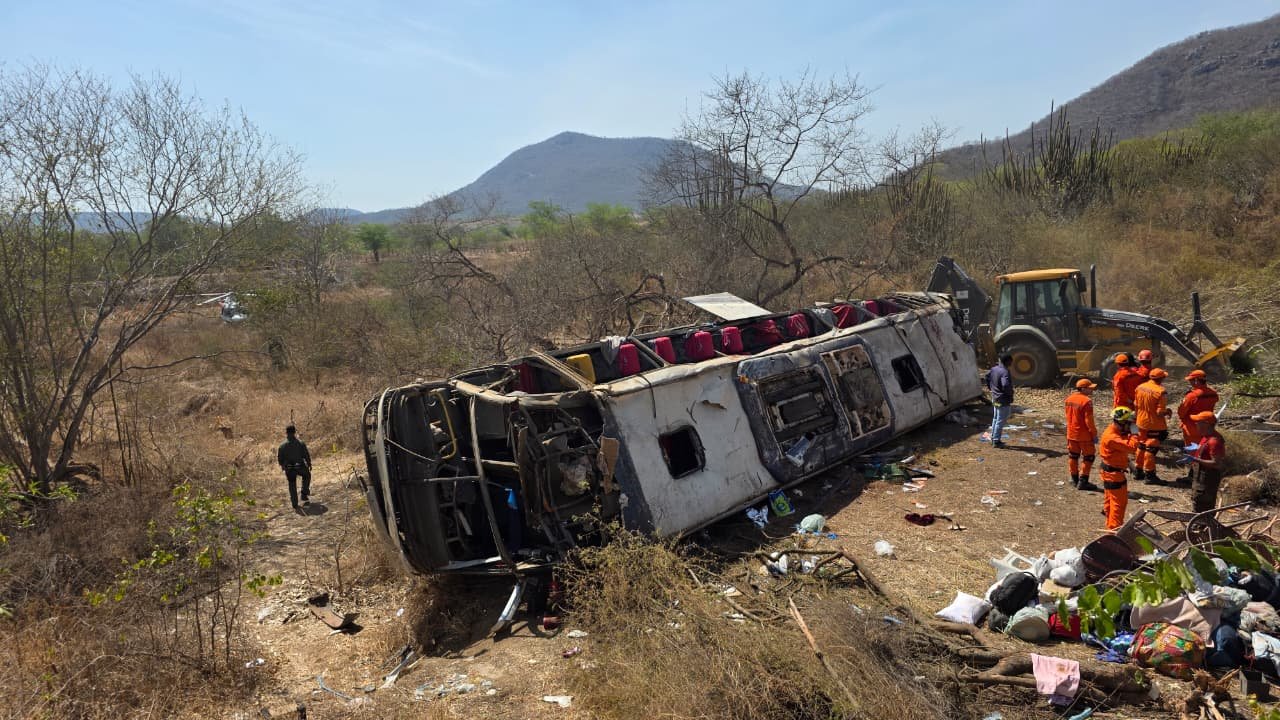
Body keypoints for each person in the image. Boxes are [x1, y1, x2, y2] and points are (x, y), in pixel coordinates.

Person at [1099, 407, 1144, 530]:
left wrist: (1129, 464)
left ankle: (1110, 523)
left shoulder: (1115, 431)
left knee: (1110, 501)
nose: (1131, 426)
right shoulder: (1112, 437)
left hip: (1111, 471)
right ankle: (1114, 530)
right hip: (1113, 475)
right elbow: (1132, 447)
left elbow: (1120, 451)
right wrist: (1135, 433)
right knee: (1118, 504)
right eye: (1129, 423)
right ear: (1122, 422)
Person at [1133, 368, 1172, 483]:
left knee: (1141, 445)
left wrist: (1136, 418)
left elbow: (1135, 404)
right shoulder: (1161, 391)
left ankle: (1138, 470)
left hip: (1140, 422)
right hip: (1154, 425)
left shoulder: (1140, 387)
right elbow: (1159, 412)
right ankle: (1150, 475)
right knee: (1151, 448)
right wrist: (1168, 411)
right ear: (1161, 378)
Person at [1065, 378, 1100, 491]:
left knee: (1073, 456)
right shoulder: (1086, 401)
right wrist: (1094, 434)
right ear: (1083, 389)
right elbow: (1089, 421)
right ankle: (1083, 481)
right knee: (1089, 457)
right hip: (1084, 435)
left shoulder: (1069, 399)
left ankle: (1074, 479)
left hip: (1071, 433)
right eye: (1090, 388)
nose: (1092, 390)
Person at [1189, 411, 1227, 514]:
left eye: (1198, 422)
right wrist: (1196, 448)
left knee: (1203, 505)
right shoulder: (1206, 436)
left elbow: (1216, 463)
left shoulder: (1214, 441)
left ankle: (1202, 523)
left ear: (1206, 424)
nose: (1196, 424)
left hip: (1207, 479)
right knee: (1197, 501)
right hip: (1201, 478)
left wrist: (1195, 459)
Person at [1178, 369, 1220, 447]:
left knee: (1193, 451)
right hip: (1208, 428)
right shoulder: (1213, 393)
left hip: (1192, 429)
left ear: (1196, 380)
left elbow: (1181, 412)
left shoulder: (1191, 396)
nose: (1189, 382)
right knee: (1204, 449)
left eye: (1191, 380)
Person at [277, 425, 312, 511]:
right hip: (300, 467)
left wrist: (283, 466)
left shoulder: (282, 446)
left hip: (289, 469)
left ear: (286, 433)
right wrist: (309, 464)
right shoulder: (300, 443)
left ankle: (294, 503)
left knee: (292, 484)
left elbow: (280, 459)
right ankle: (304, 493)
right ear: (294, 432)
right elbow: (306, 455)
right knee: (307, 475)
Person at [987, 354, 1014, 448]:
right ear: (1007, 361)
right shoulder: (1005, 372)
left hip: (995, 398)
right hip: (1003, 400)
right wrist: (1010, 394)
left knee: (996, 418)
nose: (1011, 364)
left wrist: (991, 388)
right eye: (1011, 361)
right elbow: (1005, 385)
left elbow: (987, 377)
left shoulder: (994, 369)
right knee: (1001, 420)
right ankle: (996, 441)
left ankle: (993, 437)